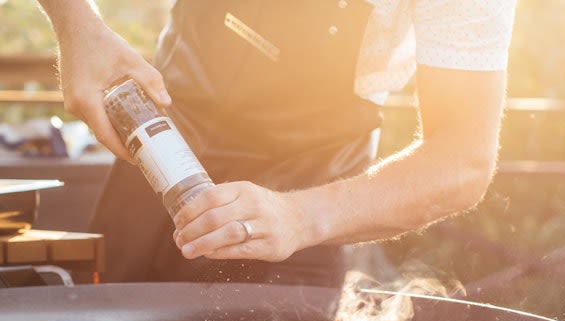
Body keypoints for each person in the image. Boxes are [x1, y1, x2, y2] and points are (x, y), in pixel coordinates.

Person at [37, 0, 515, 287]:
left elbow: (462, 161)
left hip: (305, 193)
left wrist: (301, 216)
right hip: (159, 156)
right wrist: (77, 25)